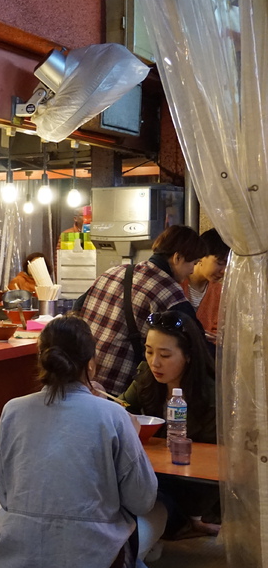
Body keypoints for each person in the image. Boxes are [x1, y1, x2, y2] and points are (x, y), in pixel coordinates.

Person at [0, 315, 166, 568]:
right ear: (91, 363)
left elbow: (7, 497)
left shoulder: (12, 410)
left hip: (16, 567)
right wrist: (131, 435)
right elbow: (142, 500)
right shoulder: (113, 414)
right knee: (158, 511)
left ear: (42, 358)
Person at [122, 310, 219, 540]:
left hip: (191, 488)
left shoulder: (210, 396)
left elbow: (213, 464)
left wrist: (198, 515)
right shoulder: (146, 378)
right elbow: (122, 409)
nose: (154, 362)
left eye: (165, 355)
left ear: (188, 355)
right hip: (153, 477)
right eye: (149, 351)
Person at [76, 225, 205, 396]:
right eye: (193, 263)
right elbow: (196, 344)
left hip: (85, 382)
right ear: (177, 257)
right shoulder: (170, 293)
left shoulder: (113, 272)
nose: (192, 270)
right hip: (120, 391)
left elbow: (77, 308)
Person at [180, 229, 229, 345]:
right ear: (201, 255)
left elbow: (217, 332)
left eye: (228, 265)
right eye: (220, 263)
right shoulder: (176, 283)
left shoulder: (220, 292)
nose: (224, 271)